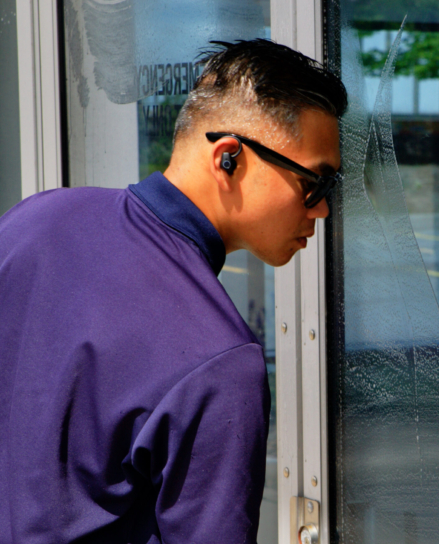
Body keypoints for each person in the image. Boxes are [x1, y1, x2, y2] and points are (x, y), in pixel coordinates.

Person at [0, 39, 347, 543]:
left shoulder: (33, 220)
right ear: (230, 158)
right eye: (315, 183)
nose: (322, 210)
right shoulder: (222, 358)